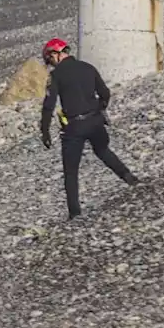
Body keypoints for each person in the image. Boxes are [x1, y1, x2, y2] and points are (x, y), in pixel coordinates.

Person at [39, 38, 138, 219]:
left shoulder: (56, 76)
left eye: (50, 59)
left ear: (56, 53)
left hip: (74, 126)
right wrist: (100, 108)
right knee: (102, 150)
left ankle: (75, 213)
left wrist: (44, 131)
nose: (50, 64)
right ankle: (129, 178)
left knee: (70, 171)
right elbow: (105, 93)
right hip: (95, 121)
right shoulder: (88, 67)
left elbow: (49, 105)